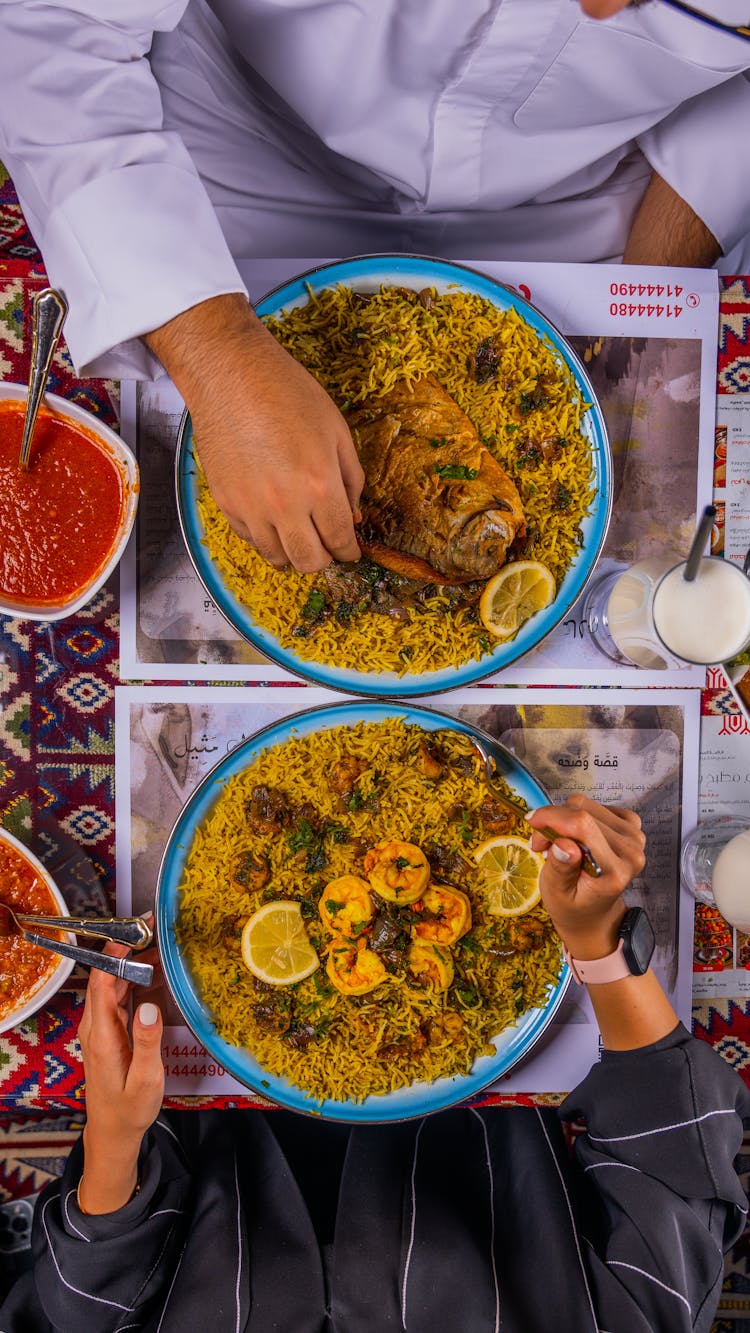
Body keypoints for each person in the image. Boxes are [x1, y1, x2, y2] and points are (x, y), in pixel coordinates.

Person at [1, 0, 749, 575]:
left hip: (580, 200)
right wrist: (215, 349)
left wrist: (655, 282)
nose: (602, 10)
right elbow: (52, 26)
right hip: (234, 136)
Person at [1, 796, 747, 1332]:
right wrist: (601, 943)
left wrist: (114, 1132)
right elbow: (677, 1169)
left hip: (195, 1050)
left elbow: (73, 1305)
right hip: (498, 1013)